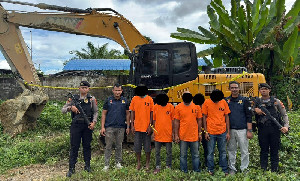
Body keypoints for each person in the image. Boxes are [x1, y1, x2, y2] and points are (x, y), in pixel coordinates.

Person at [62, 81, 98, 177]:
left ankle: (87, 166)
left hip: (87, 125)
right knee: (74, 147)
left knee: (87, 146)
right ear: (79, 88)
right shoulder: (73, 99)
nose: (84, 89)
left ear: (88, 89)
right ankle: (71, 168)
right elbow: (63, 110)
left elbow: (96, 112)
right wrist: (71, 108)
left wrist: (93, 122)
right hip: (76, 125)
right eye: (82, 87)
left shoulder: (92, 99)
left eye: (86, 87)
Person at [254, 83, 289, 172]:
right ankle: (263, 169)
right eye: (262, 89)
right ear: (259, 91)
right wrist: (255, 110)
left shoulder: (276, 101)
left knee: (274, 150)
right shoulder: (256, 102)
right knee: (263, 150)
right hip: (262, 129)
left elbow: (284, 115)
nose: (264, 90)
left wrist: (286, 127)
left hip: (275, 129)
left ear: (269, 90)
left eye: (266, 89)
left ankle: (274, 170)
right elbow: (248, 112)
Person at [225, 81, 253, 175]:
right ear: (229, 89)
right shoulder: (226, 101)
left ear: (239, 88)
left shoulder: (245, 100)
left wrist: (249, 130)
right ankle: (232, 168)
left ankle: (244, 168)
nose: (234, 89)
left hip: (243, 130)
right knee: (231, 150)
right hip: (231, 130)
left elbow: (249, 116)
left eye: (236, 87)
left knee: (244, 150)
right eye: (232, 88)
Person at [100, 84, 130, 171]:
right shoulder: (108, 100)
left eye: (119, 90)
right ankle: (106, 164)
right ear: (113, 91)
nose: (117, 92)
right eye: (116, 90)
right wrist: (102, 127)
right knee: (108, 146)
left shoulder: (125, 101)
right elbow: (104, 114)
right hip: (109, 127)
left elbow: (128, 114)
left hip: (121, 127)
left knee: (119, 145)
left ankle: (118, 163)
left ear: (121, 91)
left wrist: (128, 126)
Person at [202, 89, 230, 176]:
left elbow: (227, 117)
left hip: (222, 131)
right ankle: (210, 170)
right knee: (210, 152)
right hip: (210, 132)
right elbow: (204, 117)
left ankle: (224, 170)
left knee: (223, 152)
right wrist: (205, 132)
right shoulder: (206, 103)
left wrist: (228, 132)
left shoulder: (224, 102)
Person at [174, 92, 202, 173]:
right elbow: (176, 122)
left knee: (196, 155)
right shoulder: (178, 107)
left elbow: (199, 121)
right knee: (183, 155)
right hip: (183, 136)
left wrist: (199, 133)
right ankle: (183, 171)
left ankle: (196, 171)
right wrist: (176, 135)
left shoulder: (196, 106)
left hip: (194, 136)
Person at [129, 85, 154, 170]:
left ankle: (147, 163)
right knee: (137, 146)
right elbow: (132, 112)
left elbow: (152, 113)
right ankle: (139, 163)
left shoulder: (150, 99)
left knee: (147, 147)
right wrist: (132, 125)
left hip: (147, 128)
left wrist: (150, 126)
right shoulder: (134, 99)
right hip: (137, 128)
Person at [152, 94, 174, 174]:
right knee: (157, 152)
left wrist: (173, 133)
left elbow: (173, 120)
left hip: (168, 133)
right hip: (158, 133)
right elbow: (154, 120)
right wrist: (153, 132)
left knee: (169, 152)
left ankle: (168, 166)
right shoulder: (155, 107)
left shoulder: (171, 107)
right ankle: (158, 167)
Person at [193, 93, 207, 168]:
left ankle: (204, 164)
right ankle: (200, 165)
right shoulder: (197, 108)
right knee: (199, 150)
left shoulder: (195, 108)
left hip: (202, 132)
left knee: (199, 150)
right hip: (200, 132)